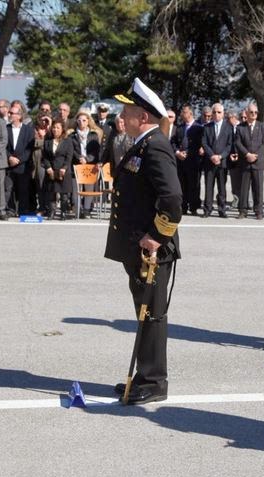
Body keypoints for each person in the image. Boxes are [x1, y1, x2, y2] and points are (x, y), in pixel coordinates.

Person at [108, 77, 183, 404]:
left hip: (151, 249)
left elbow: (173, 199)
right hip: (137, 247)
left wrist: (157, 236)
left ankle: (153, 382)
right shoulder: (141, 144)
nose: (122, 118)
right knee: (143, 311)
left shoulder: (155, 146)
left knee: (151, 314)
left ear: (145, 117)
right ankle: (142, 376)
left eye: (128, 112)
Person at [234, 102, 264, 219]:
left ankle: (258, 211)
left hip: (258, 162)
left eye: (255, 112)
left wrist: (256, 155)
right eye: (251, 112)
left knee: (258, 188)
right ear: (247, 113)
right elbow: (237, 142)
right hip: (245, 162)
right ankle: (243, 210)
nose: (254, 114)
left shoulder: (262, 125)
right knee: (244, 188)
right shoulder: (240, 127)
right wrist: (247, 154)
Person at [201, 103, 233, 218]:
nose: (216, 114)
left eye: (219, 112)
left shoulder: (229, 127)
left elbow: (229, 145)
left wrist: (220, 156)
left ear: (223, 114)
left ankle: (222, 209)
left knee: (222, 187)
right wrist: (212, 156)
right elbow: (204, 143)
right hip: (209, 162)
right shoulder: (207, 127)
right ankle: (207, 209)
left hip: (222, 162)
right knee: (208, 187)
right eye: (214, 112)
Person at [5, 103, 35, 216]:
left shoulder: (28, 130)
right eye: (10, 113)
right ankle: (11, 210)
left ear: (19, 116)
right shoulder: (5, 129)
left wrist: (19, 160)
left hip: (23, 166)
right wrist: (9, 157)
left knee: (23, 189)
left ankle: (23, 210)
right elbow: (3, 146)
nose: (10, 115)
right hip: (9, 165)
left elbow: (29, 148)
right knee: (9, 189)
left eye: (12, 113)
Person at [172, 105, 203, 215]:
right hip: (181, 161)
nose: (182, 114)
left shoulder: (199, 128)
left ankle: (193, 207)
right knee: (182, 185)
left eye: (184, 112)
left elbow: (200, 144)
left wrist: (189, 153)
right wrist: (177, 153)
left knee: (193, 185)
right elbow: (173, 142)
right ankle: (183, 207)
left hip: (193, 161)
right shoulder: (179, 128)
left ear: (190, 113)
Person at [70, 111, 102, 218]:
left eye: (84, 120)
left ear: (88, 121)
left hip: (90, 164)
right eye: (79, 120)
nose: (81, 122)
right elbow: (71, 150)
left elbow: (96, 151)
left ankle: (87, 210)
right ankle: (77, 209)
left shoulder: (93, 135)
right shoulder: (72, 136)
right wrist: (79, 158)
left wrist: (87, 159)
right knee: (76, 190)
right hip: (76, 164)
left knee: (89, 188)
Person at [42, 119, 74, 219]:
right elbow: (45, 156)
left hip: (63, 170)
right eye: (54, 128)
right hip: (52, 170)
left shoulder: (67, 141)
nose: (55, 130)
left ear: (62, 129)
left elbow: (69, 156)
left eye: (58, 128)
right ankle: (52, 212)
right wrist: (48, 167)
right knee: (52, 193)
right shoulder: (47, 141)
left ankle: (63, 212)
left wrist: (64, 168)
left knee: (64, 194)